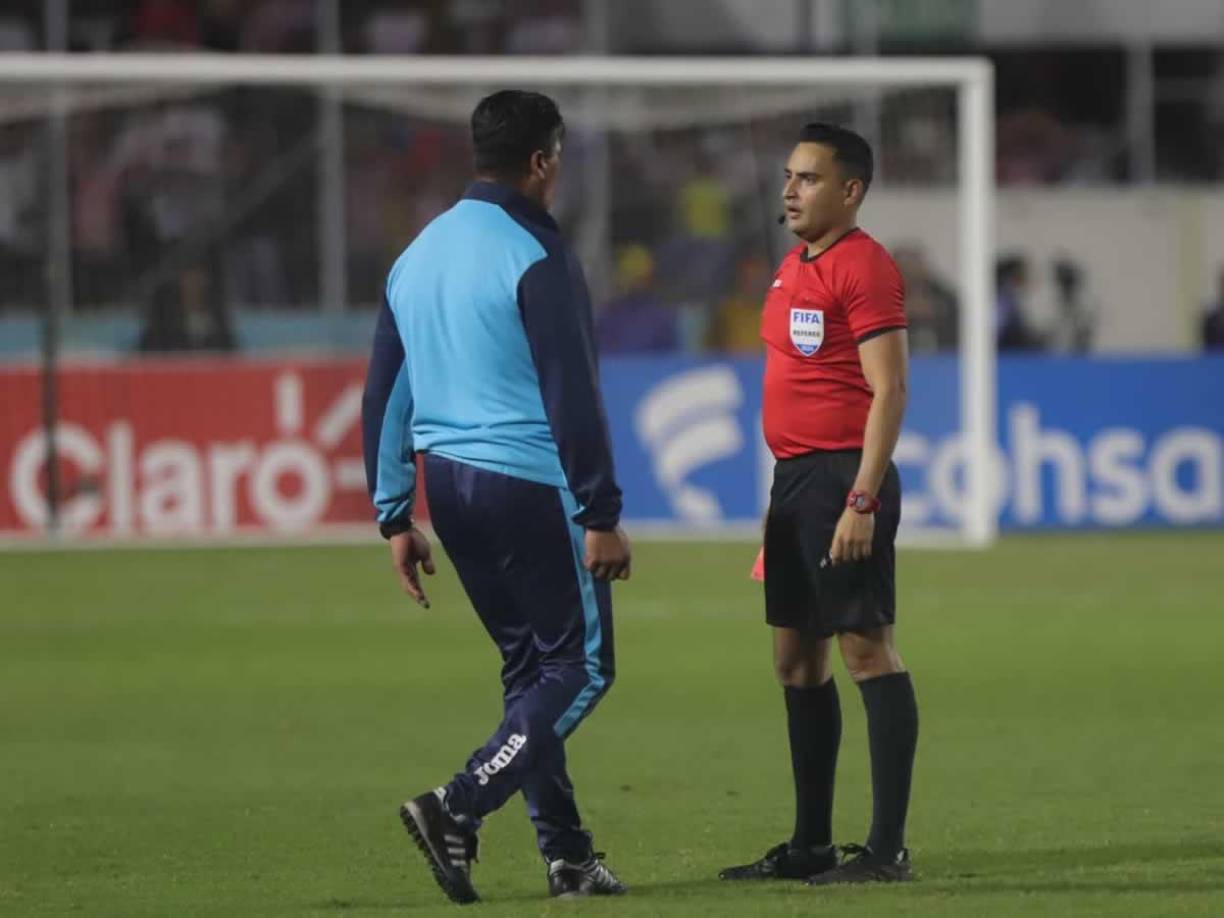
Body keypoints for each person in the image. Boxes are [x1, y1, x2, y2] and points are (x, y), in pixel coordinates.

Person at [361, 90, 631, 904]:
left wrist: (394, 512)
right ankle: (457, 804)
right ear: (545, 161)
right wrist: (601, 511)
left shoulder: (419, 253)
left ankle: (569, 857)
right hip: (527, 481)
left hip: (449, 486)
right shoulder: (536, 253)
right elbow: (571, 391)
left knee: (529, 678)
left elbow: (386, 391)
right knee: (580, 671)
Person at [719, 123, 918, 886]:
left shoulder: (866, 268)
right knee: (795, 661)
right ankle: (809, 845)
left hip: (844, 482)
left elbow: (890, 389)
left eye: (807, 178)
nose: (789, 190)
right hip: (797, 485)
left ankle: (887, 851)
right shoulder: (793, 263)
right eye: (788, 177)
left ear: (851, 190)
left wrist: (861, 498)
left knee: (866, 649)